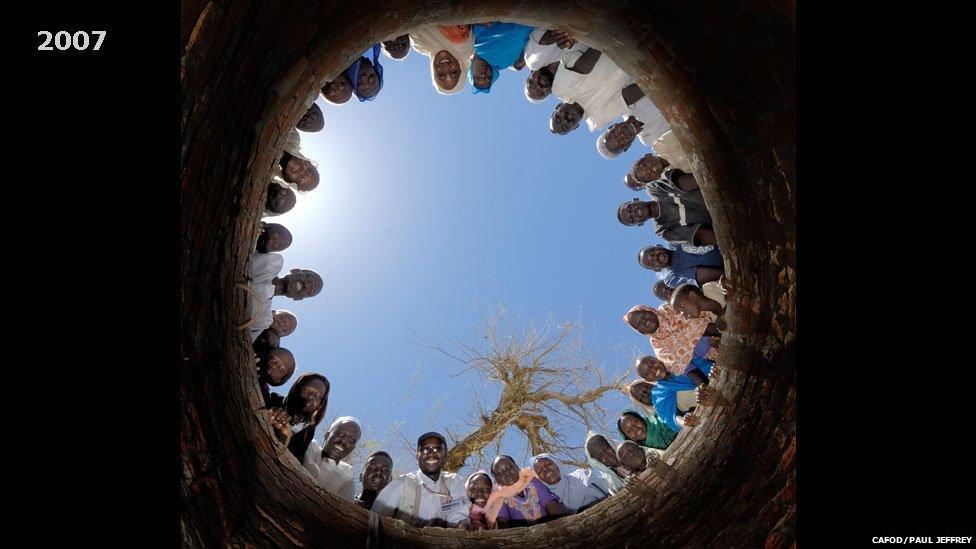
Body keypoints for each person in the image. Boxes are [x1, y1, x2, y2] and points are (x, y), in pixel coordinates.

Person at [372, 432, 470, 528]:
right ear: (417, 455)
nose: (431, 453)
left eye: (437, 449)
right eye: (425, 449)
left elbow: (458, 515)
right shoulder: (401, 483)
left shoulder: (454, 481)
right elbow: (375, 520)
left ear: (445, 455)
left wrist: (460, 526)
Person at [616, 168, 715, 247]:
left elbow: (694, 180)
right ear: (640, 224)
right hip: (720, 216)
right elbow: (703, 235)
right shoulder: (663, 230)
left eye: (629, 208)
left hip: (714, 187)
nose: (633, 213)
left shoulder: (654, 189)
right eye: (632, 219)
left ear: (635, 199)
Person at [622, 304, 719, 375]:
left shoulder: (667, 309)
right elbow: (675, 365)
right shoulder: (657, 344)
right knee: (685, 368)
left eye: (644, 315)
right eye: (639, 324)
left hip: (716, 330)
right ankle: (704, 387)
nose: (645, 321)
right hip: (710, 359)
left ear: (650, 310)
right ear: (641, 331)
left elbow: (695, 316)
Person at [248, 253, 323, 341]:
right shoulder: (274, 262)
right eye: (309, 278)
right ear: (295, 270)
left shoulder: (263, 319)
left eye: (310, 291)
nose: (306, 285)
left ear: (297, 298)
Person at [486, 455, 568, 528]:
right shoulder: (498, 498)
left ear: (517, 467)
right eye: (500, 472)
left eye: (510, 467)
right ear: (497, 480)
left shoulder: (532, 480)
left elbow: (550, 504)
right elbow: (502, 522)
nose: (507, 473)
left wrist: (568, 520)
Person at [266, 373, 330, 462]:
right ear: (297, 388)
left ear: (321, 405)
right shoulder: (274, 400)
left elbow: (297, 460)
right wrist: (266, 422)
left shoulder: (307, 433)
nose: (311, 397)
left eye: (319, 397)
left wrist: (285, 438)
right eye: (308, 390)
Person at [549, 82, 644, 135]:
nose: (565, 120)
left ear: (558, 106)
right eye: (566, 127)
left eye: (558, 119)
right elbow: (627, 98)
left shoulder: (566, 87)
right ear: (576, 127)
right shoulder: (597, 119)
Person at [596, 94, 670, 159]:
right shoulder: (649, 139)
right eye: (621, 143)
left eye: (614, 135)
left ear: (613, 126)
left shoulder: (628, 104)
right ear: (628, 146)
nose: (621, 136)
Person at [304, 416, 362, 500]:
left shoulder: (347, 472)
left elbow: (346, 505)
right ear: (327, 435)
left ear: (352, 449)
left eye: (351, 440)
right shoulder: (311, 446)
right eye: (341, 434)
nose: (344, 441)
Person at [530, 453, 609, 513]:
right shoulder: (547, 501)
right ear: (539, 478)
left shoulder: (582, 476)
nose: (545, 469)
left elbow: (607, 495)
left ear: (557, 465)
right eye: (540, 470)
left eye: (548, 464)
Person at [468, 22, 534, 94]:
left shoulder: (471, 38)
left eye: (478, 78)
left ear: (471, 72)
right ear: (493, 75)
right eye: (488, 77)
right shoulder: (507, 62)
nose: (483, 74)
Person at [409, 25, 475, 95]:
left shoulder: (420, 45)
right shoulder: (464, 49)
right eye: (454, 72)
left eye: (440, 75)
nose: (446, 68)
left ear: (433, 72)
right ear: (461, 67)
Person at [638, 244, 724, 288]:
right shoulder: (671, 278)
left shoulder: (674, 240)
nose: (655, 257)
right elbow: (700, 275)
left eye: (652, 252)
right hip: (726, 268)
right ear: (657, 269)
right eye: (651, 262)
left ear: (658, 246)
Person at [522, 28, 587, 70]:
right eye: (541, 92)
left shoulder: (533, 64)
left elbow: (543, 38)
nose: (539, 87)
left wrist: (560, 37)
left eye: (532, 84)